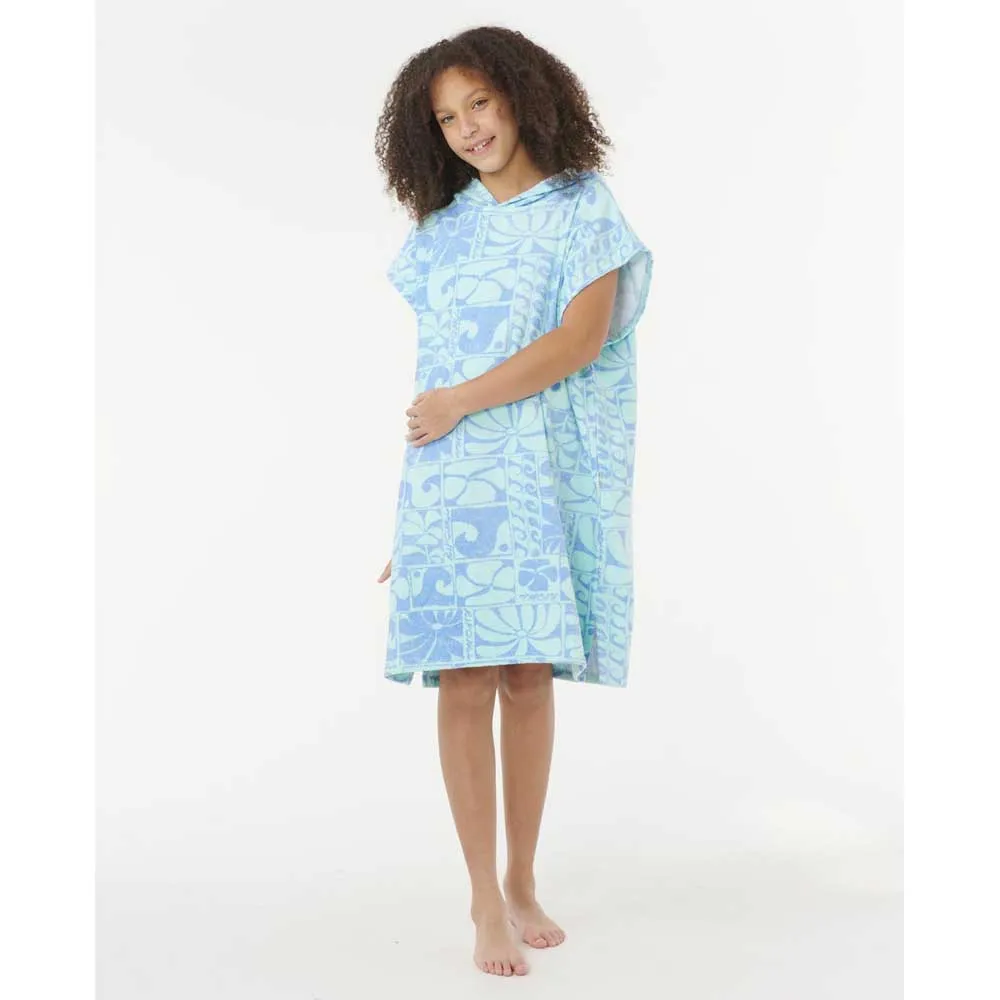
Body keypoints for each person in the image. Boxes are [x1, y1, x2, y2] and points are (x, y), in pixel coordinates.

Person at [373, 25, 654, 978]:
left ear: (524, 96)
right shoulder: (442, 232)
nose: (467, 128)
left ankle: (523, 877)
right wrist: (415, 516)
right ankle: (482, 897)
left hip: (543, 475)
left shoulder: (584, 208)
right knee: (464, 680)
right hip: (454, 480)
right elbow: (436, 371)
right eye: (447, 118)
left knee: (529, 675)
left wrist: (459, 402)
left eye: (480, 103)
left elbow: (581, 342)